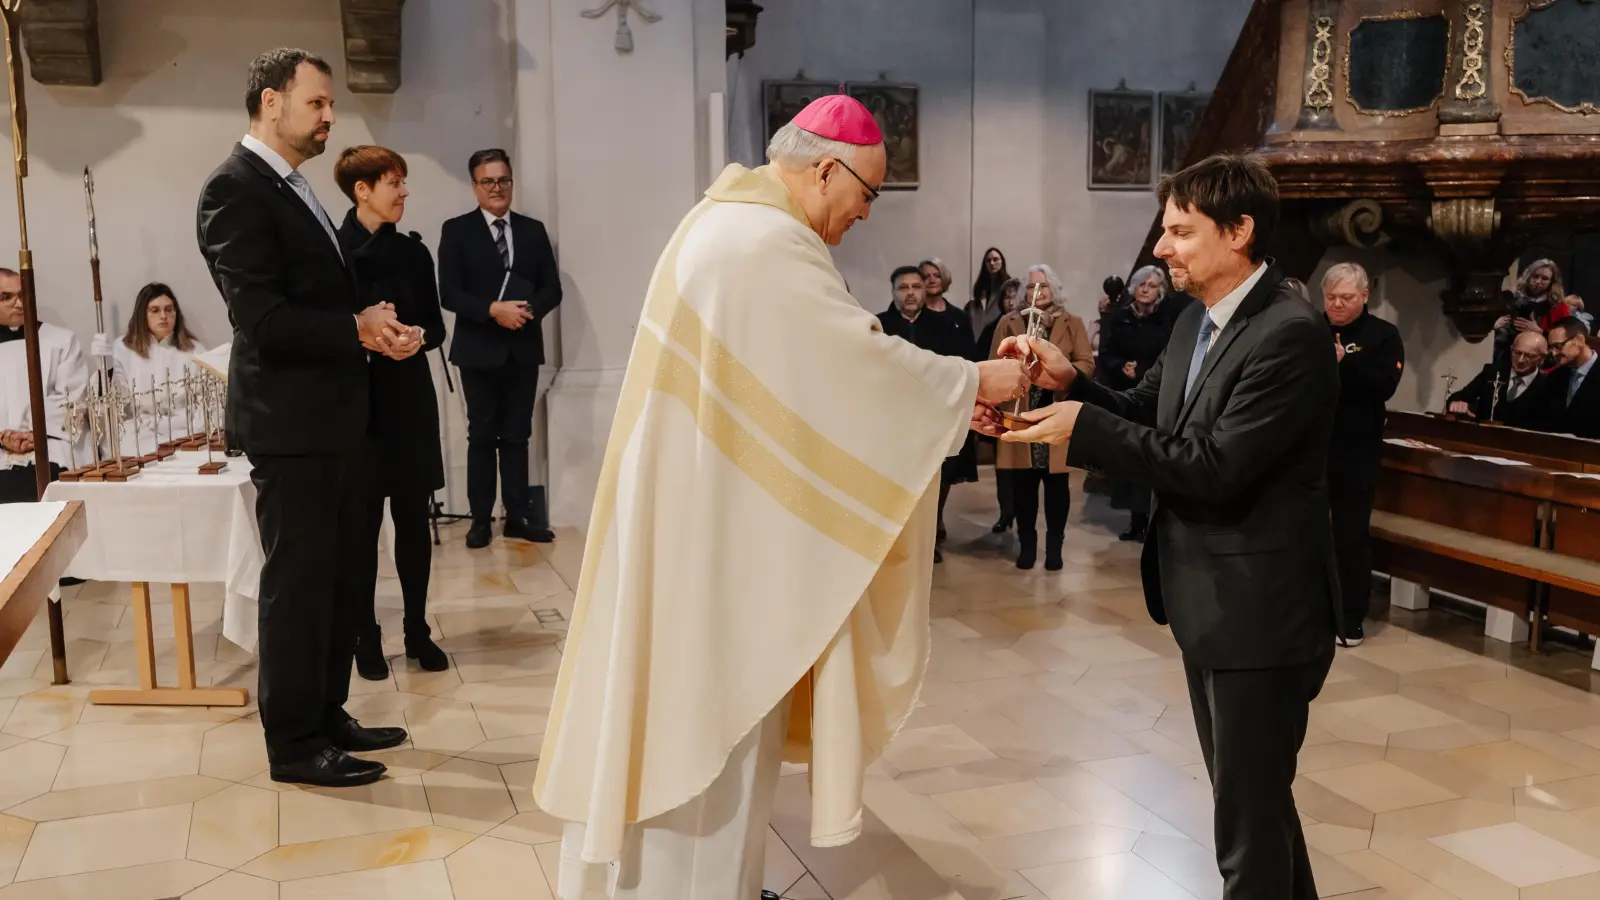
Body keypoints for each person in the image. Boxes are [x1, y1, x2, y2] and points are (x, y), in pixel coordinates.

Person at [534, 94, 1028, 900]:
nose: (863, 216)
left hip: (702, 519)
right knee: (708, 724)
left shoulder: (721, 224)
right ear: (826, 168)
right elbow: (852, 367)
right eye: (865, 195)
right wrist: (974, 378)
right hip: (717, 549)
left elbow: (813, 384)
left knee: (682, 720)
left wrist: (948, 396)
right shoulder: (765, 244)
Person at [991, 154, 1340, 900]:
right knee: (1257, 810)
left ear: (1239, 230)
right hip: (1209, 603)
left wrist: (1081, 426)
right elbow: (1146, 417)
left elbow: (1213, 466)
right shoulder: (1195, 321)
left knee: (1246, 829)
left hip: (1262, 613)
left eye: (1180, 231)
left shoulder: (1290, 333)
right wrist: (1071, 382)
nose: (1160, 248)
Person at [196, 47, 420, 788]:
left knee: (338, 580)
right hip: (290, 427)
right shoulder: (235, 188)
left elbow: (316, 302)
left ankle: (327, 713)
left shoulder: (287, 186)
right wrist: (351, 330)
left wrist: (369, 322)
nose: (330, 117)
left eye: (330, 105)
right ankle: (292, 744)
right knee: (297, 588)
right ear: (269, 101)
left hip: (333, 419)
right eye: (317, 103)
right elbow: (260, 318)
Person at [334, 145, 450, 679]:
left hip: (406, 397)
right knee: (359, 529)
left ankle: (417, 629)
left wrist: (416, 336)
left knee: (412, 519)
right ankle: (365, 634)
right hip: (358, 402)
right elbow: (330, 329)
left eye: (404, 183)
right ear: (363, 190)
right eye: (394, 183)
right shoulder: (334, 252)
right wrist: (367, 340)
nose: (404, 192)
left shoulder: (414, 253)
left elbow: (435, 324)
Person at [438, 148, 562, 550]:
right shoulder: (456, 230)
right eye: (488, 181)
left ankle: (518, 516)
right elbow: (449, 292)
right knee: (482, 436)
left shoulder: (532, 230)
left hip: (522, 348)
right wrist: (493, 310)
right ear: (475, 186)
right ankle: (480, 520)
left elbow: (552, 289)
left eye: (503, 180)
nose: (497, 188)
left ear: (512, 182)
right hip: (478, 350)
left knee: (516, 436)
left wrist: (525, 313)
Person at [990, 264, 1093, 570]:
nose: (1038, 292)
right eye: (1032, 287)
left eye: (1044, 286)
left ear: (1054, 290)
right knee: (1023, 486)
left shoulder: (1072, 322)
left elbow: (1086, 362)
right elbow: (992, 362)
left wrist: (1061, 375)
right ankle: (1027, 545)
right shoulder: (1009, 322)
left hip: (1056, 410)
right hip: (1022, 410)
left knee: (1057, 488)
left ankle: (1054, 548)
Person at [1322, 262, 1404, 646]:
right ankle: (1309, 609)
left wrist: (1344, 363)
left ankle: (1351, 618)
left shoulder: (1383, 336)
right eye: (1331, 297)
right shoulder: (1310, 328)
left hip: (1354, 452)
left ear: (1365, 296)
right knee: (1301, 531)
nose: (1337, 305)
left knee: (1350, 537)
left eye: (1346, 298)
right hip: (1309, 448)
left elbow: (1383, 385)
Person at [1097, 265, 1189, 541]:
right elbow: (1106, 353)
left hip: (1157, 397)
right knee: (1129, 457)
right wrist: (1120, 366)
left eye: (1152, 285)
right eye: (1141, 284)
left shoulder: (1169, 316)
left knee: (1152, 457)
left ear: (1160, 290)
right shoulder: (1122, 316)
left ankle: (1152, 520)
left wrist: (1144, 369)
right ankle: (1135, 519)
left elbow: (1173, 353)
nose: (1146, 289)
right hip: (1127, 394)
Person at [0, 268, 88, 503]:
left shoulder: (60, 340)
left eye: (23, 295)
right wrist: (4, 438)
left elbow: (73, 398)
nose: (18, 304)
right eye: (6, 297)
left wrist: (35, 434)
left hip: (50, 444)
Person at [89, 283, 207, 452]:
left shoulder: (194, 350)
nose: (163, 316)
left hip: (185, 428)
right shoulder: (123, 349)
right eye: (155, 310)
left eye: (168, 309)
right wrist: (106, 369)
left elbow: (206, 399)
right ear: (142, 315)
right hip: (142, 431)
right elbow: (115, 404)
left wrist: (194, 427)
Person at [979, 276, 1022, 533]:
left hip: (1026, 403)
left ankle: (1019, 513)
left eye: (1014, 296)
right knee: (1004, 467)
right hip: (1001, 403)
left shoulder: (1030, 325)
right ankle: (1006, 513)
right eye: (1006, 296)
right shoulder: (995, 326)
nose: (1011, 301)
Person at [1448, 331, 1548, 426]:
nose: (1520, 360)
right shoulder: (1492, 372)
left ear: (1542, 358)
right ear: (1511, 349)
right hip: (1482, 438)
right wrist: (1457, 403)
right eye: (1517, 352)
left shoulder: (1548, 385)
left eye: (1529, 356)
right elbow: (1459, 397)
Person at [1530, 317, 1600, 438]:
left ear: (1580, 340)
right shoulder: (1555, 377)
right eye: (1551, 348)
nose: (1554, 353)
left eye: (1558, 346)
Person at [1493, 259, 1569, 369]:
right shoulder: (1513, 298)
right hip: (1506, 356)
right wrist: (1496, 325)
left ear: (1552, 282)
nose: (1538, 282)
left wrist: (1540, 332)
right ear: (1528, 276)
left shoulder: (1557, 306)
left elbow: (1564, 340)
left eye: (1545, 279)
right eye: (1535, 276)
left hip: (1537, 362)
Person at [967, 246, 1010, 339]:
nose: (992, 263)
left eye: (995, 259)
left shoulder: (1008, 286)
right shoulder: (981, 287)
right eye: (988, 260)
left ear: (1002, 261)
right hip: (979, 336)